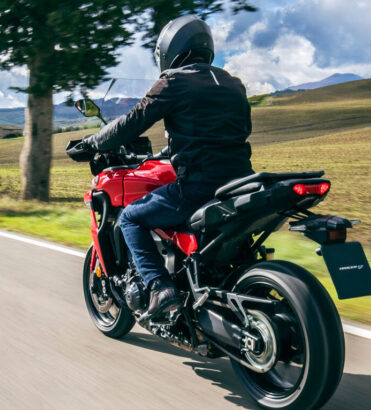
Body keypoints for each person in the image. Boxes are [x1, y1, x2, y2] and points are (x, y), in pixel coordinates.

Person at [82, 15, 253, 321]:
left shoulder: (174, 81)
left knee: (131, 218)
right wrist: (172, 152)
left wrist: (93, 142)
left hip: (198, 189)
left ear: (170, 49)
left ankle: (160, 288)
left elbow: (132, 122)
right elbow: (226, 134)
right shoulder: (233, 84)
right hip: (243, 186)